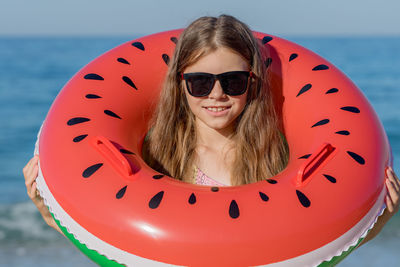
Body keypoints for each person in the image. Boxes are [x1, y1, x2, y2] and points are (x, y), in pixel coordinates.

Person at [24, 14, 399, 247]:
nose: (216, 94)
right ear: (180, 84)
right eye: (200, 82)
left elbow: (307, 241)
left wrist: (375, 219)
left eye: (233, 81)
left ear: (253, 82)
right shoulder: (159, 156)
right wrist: (45, 206)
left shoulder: (277, 157)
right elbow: (117, 241)